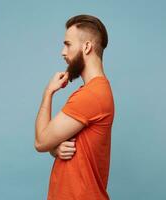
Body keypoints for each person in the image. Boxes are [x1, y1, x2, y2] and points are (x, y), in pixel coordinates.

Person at [35, 14, 115, 200]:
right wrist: (54, 149)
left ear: (87, 47)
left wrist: (48, 93)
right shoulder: (93, 91)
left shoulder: (91, 95)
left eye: (68, 44)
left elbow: (41, 141)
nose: (63, 52)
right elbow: (55, 143)